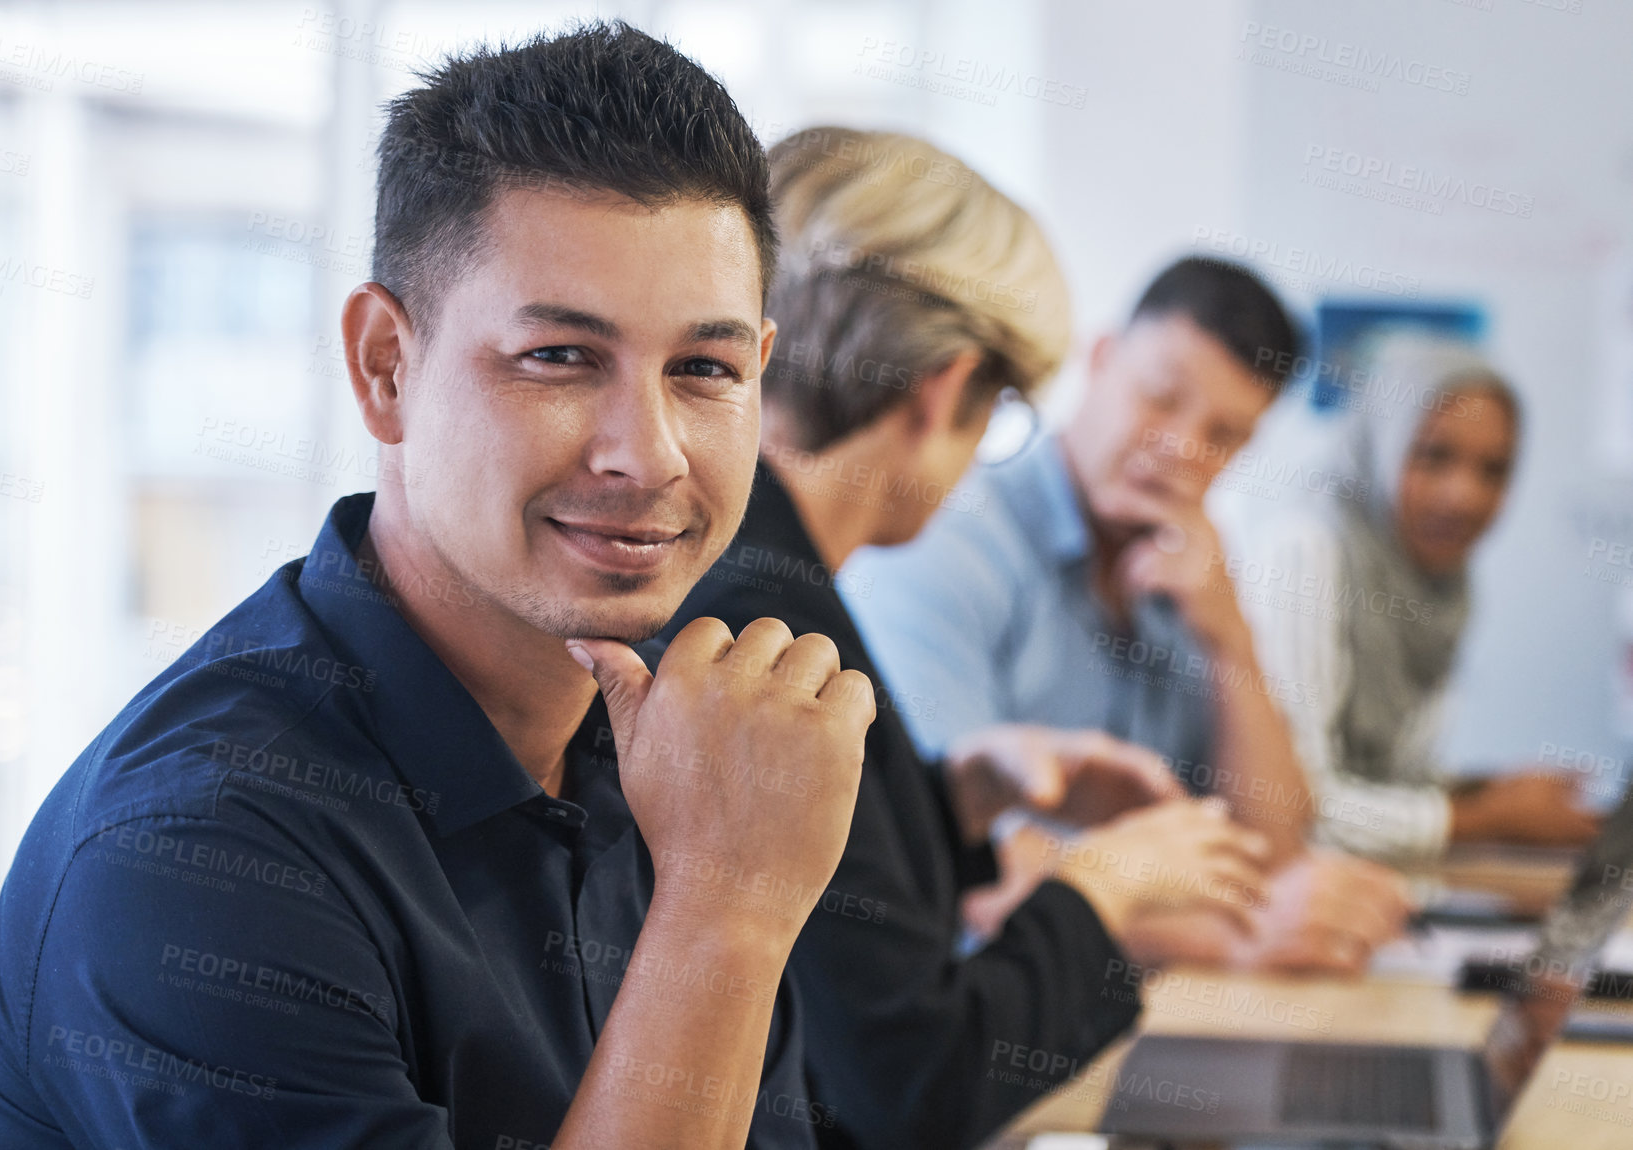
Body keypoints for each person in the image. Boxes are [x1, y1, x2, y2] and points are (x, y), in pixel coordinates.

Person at [0, 25, 876, 1150]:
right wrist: (724, 909)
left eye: (703, 371)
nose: (647, 454)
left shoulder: (680, 754)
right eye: (559, 357)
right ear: (383, 366)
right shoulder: (198, 850)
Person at [664, 129, 1279, 1150]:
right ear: (946, 388)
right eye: (999, 408)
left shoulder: (763, 573)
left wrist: (961, 796)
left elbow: (840, 919)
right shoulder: (767, 620)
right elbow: (912, 1086)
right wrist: (1108, 885)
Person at [845, 256, 1413, 973]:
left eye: (1224, 436)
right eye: (1161, 398)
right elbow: (958, 871)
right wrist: (1235, 938)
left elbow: (1269, 849)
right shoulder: (944, 543)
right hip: (975, 1018)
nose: (1182, 449)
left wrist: (1230, 640)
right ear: (1103, 357)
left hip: (1135, 1013)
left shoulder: (1187, 579)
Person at [1213, 330, 1601, 862]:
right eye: (1433, 456)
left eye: (1494, 470)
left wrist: (1489, 792)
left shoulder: (1443, 581)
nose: (1463, 495)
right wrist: (1489, 819)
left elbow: (1389, 775)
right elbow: (1294, 802)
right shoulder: (1305, 549)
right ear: (1382, 440)